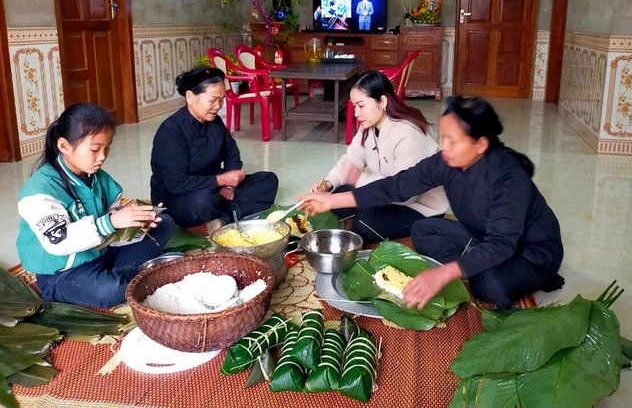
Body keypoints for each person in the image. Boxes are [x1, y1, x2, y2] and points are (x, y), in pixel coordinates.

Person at [301, 96, 564, 310]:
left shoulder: (509, 178)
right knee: (422, 231)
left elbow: (503, 243)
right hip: (483, 237)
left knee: (488, 286)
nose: (444, 147)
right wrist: (332, 199)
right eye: (443, 138)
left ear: (481, 144)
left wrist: (444, 273)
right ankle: (477, 259)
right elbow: (398, 185)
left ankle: (491, 267)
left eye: (453, 140)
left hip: (530, 252)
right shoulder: (448, 160)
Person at [16, 103, 174, 308]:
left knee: (165, 223)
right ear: (64, 146)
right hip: (63, 272)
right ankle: (119, 277)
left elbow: (113, 230)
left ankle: (117, 275)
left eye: (107, 147)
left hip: (101, 253)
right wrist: (110, 221)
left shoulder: (99, 178)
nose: (102, 156)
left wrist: (135, 225)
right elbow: (59, 242)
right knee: (113, 291)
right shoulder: (38, 192)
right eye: (94, 149)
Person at [310, 71, 448, 242]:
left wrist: (359, 179)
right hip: (384, 194)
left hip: (417, 206)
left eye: (361, 106)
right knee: (338, 193)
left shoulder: (408, 133)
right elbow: (350, 161)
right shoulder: (368, 126)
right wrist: (328, 184)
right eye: (354, 106)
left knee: (364, 224)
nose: (356, 114)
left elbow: (405, 194)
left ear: (382, 101)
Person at [150, 67, 278, 233]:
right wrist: (221, 180)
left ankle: (222, 219)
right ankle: (224, 213)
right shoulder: (171, 131)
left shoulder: (215, 122)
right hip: (180, 196)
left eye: (221, 100)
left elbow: (232, 154)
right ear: (190, 97)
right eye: (212, 100)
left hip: (215, 187)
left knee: (268, 180)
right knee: (204, 200)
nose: (218, 106)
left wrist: (230, 186)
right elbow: (177, 183)